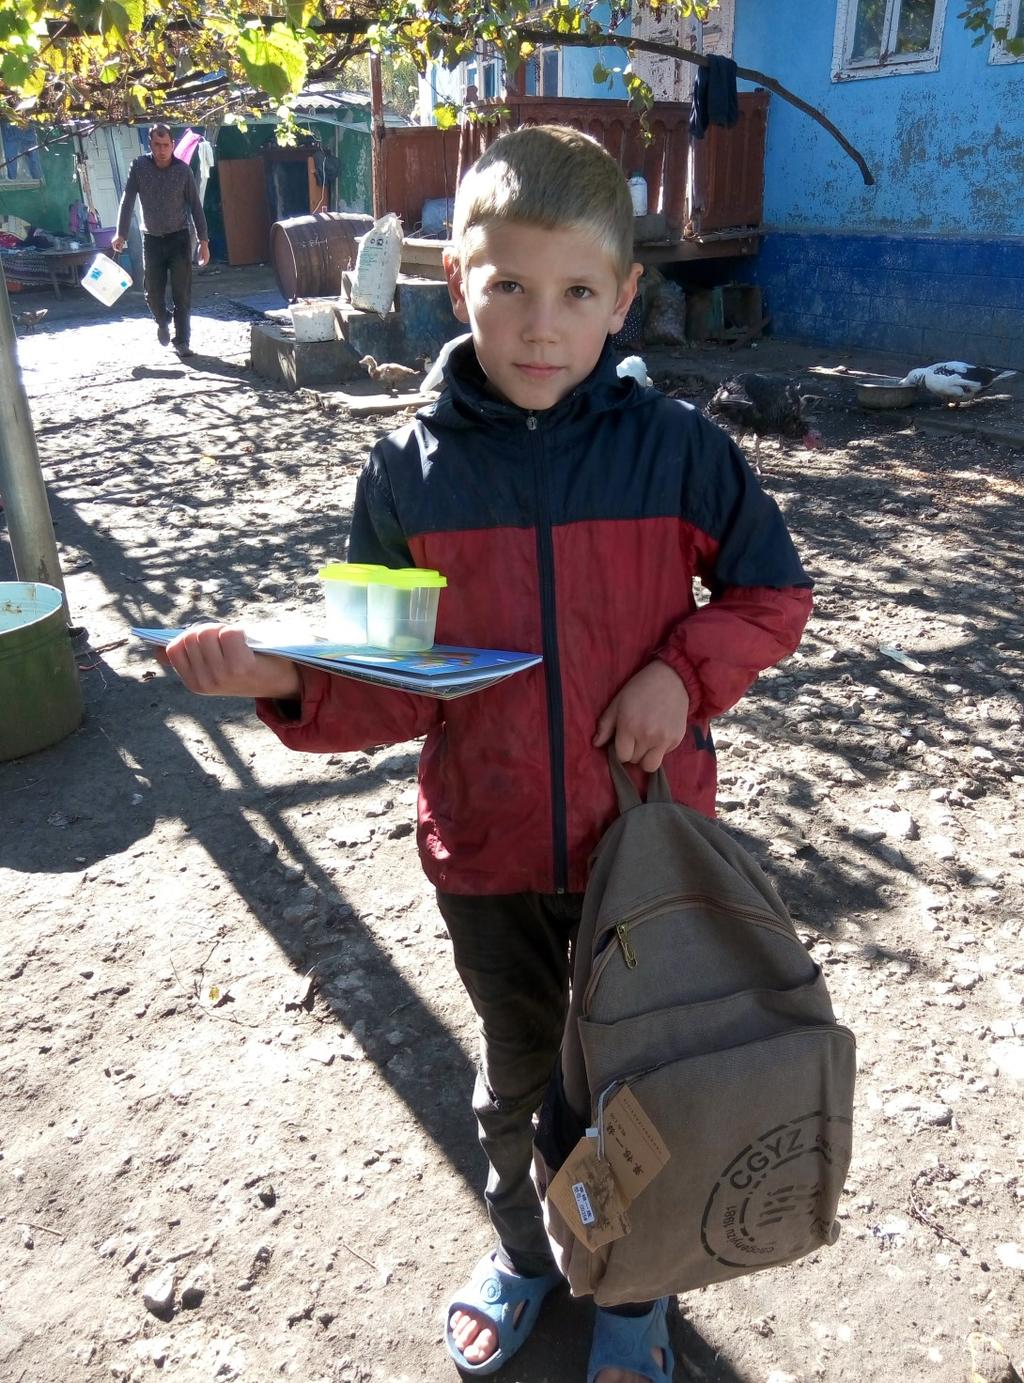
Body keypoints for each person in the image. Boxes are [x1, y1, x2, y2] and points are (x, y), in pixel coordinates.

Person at [160, 125, 813, 1382]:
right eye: (506, 286)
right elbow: (389, 686)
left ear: (625, 298)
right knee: (518, 1086)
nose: (538, 325)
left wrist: (680, 677)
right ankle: (525, 1252)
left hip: (647, 858)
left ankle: (632, 1293)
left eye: (576, 293)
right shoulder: (406, 476)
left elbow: (770, 597)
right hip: (492, 858)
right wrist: (285, 677)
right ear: (453, 281)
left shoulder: (681, 451)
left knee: (646, 1087)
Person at [112, 123, 210, 358]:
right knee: (152, 292)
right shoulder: (139, 167)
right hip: (152, 240)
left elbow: (196, 207)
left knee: (182, 293)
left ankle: (182, 340)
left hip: (178, 239)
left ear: (173, 145)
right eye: (157, 145)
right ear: (150, 144)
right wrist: (121, 233)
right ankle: (163, 319)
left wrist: (204, 243)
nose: (162, 150)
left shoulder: (183, 171)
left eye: (166, 145)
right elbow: (127, 200)